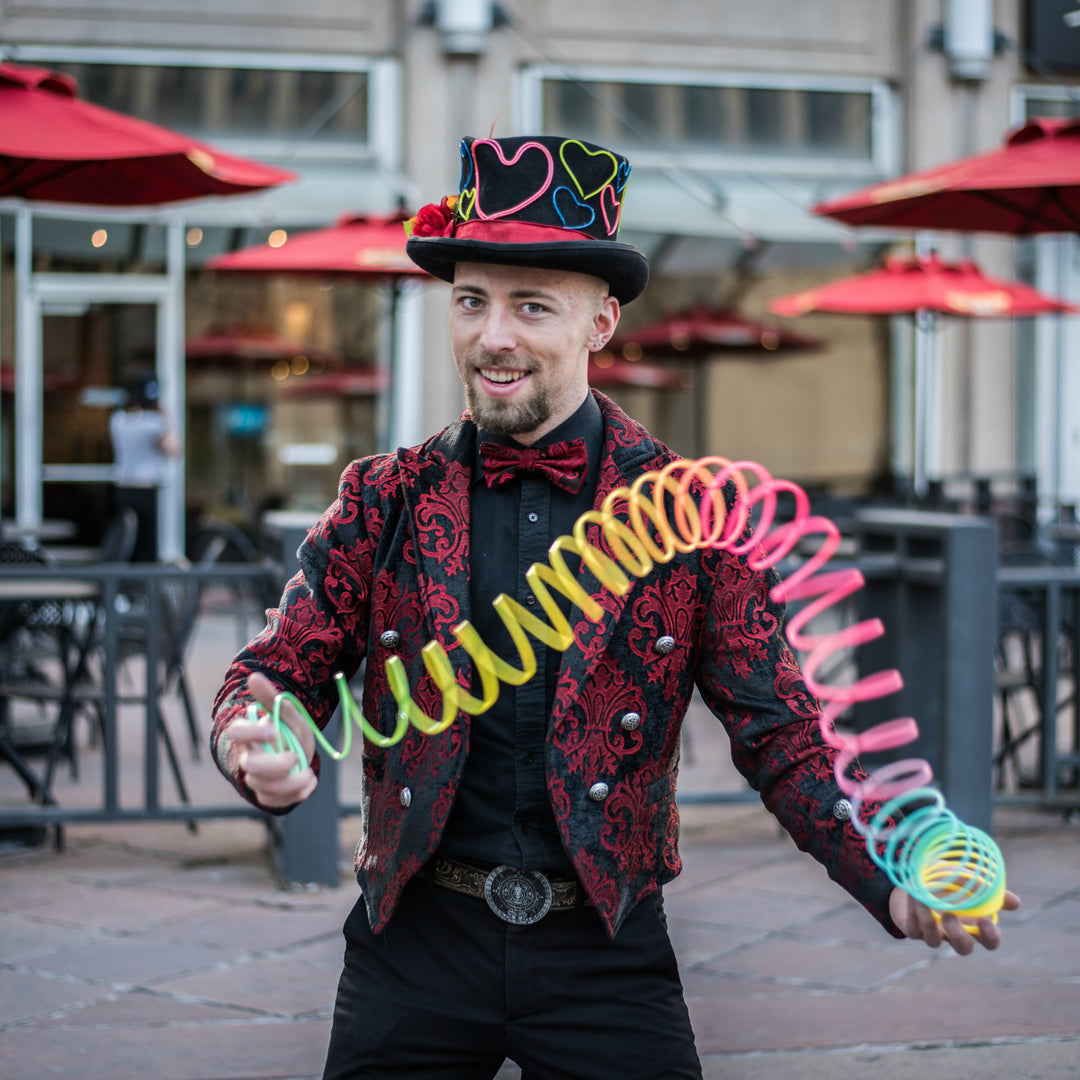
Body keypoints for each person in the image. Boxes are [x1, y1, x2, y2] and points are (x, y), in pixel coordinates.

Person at [211, 135, 1019, 1079]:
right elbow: (277, 667)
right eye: (471, 301)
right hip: (412, 945)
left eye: (531, 307)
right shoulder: (380, 497)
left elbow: (783, 733)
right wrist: (254, 733)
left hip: (607, 950)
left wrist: (890, 882)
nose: (493, 336)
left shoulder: (685, 515)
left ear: (601, 322)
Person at [109, 374, 179, 562]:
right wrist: (167, 418)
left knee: (125, 541)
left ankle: (124, 585)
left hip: (123, 489)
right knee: (146, 546)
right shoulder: (154, 423)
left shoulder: (118, 420)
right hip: (145, 490)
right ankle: (141, 587)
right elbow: (174, 450)